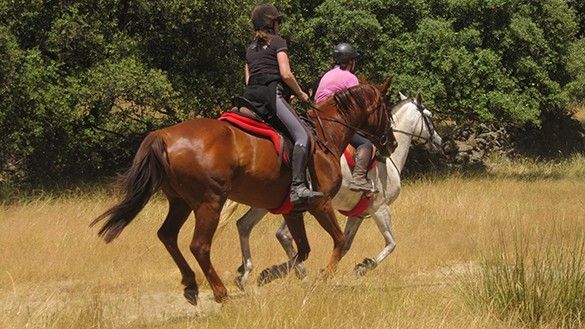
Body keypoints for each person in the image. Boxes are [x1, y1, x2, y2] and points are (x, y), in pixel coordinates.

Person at [242, 4, 322, 205]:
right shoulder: (278, 42)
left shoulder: (250, 49)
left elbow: (248, 79)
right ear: (272, 23)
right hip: (271, 96)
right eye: (278, 21)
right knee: (302, 135)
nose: (279, 25)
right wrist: (301, 93)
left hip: (250, 98)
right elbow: (285, 74)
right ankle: (298, 187)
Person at [315, 43, 377, 193]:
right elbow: (358, 109)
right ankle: (359, 179)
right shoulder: (350, 78)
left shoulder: (327, 74)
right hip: (335, 120)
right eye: (354, 60)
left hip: (317, 118)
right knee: (365, 144)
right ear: (350, 61)